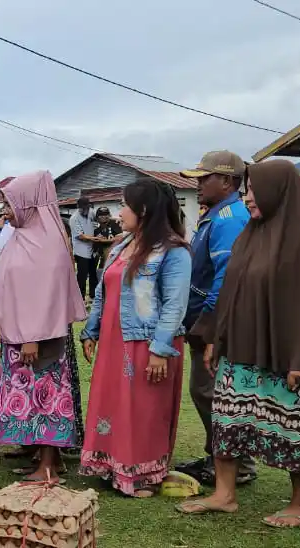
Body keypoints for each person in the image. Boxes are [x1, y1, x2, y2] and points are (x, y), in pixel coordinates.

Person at [179, 159, 300, 527]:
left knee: (296, 424)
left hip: (290, 355)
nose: (248, 198)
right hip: (243, 351)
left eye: (253, 190)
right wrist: (216, 337)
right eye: (247, 190)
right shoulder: (251, 235)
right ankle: (225, 493)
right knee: (227, 419)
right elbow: (231, 288)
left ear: (280, 191)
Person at [79, 179, 191, 497]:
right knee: (112, 403)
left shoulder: (173, 251)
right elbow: (103, 292)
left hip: (147, 342)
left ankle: (142, 474)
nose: (119, 212)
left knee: (143, 409)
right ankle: (112, 466)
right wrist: (92, 330)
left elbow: (175, 304)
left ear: (142, 210)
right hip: (116, 340)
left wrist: (160, 348)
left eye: (124, 205)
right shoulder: (122, 245)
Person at [0, 171, 88, 481]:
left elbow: (45, 295)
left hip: (37, 341)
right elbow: (7, 283)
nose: (6, 211)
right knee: (33, 400)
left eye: (10, 203)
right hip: (18, 336)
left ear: (29, 204)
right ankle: (48, 461)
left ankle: (46, 468)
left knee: (46, 399)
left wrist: (31, 337)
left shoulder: (48, 244)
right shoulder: (23, 236)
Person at [176, 151, 256, 485]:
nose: (198, 183)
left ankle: (235, 463)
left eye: (204, 177)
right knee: (207, 391)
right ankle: (219, 455)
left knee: (211, 391)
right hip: (205, 322)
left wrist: (210, 330)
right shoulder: (217, 215)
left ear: (226, 181)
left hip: (215, 325)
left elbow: (225, 279)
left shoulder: (228, 220)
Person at [69, 196, 101, 300]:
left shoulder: (91, 212)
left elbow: (100, 218)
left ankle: (93, 295)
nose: (85, 210)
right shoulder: (74, 218)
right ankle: (80, 298)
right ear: (78, 207)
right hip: (81, 251)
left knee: (93, 273)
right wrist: (95, 238)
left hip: (92, 250)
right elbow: (81, 236)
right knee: (82, 276)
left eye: (86, 207)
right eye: (82, 208)